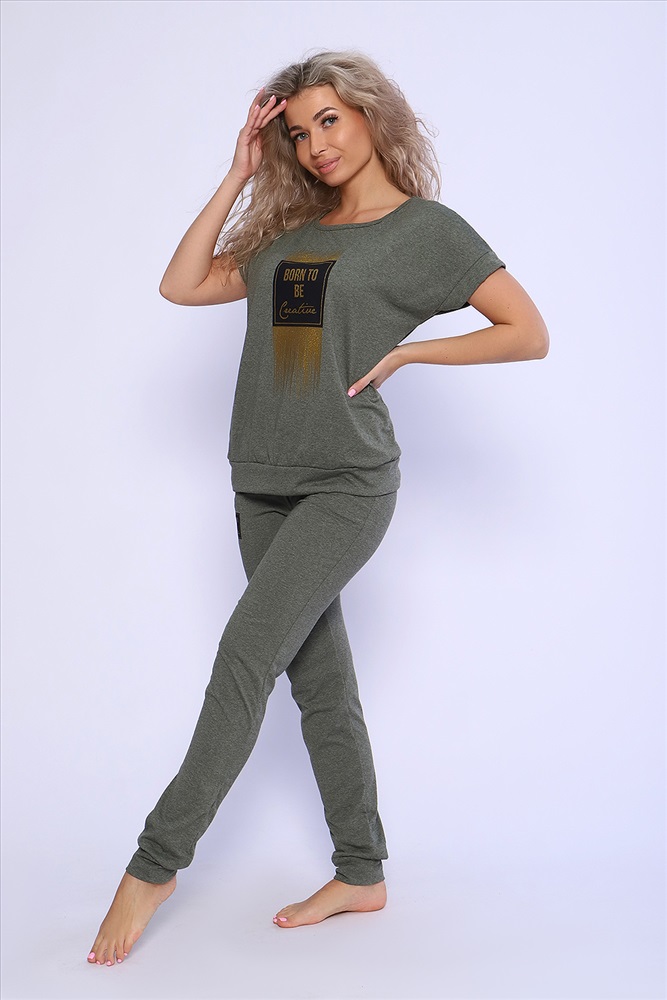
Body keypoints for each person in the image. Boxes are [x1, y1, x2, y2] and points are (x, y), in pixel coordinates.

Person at [87, 50, 548, 968]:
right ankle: (361, 872)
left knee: (244, 655)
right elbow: (182, 283)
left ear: (373, 115)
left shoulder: (425, 232)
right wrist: (239, 172)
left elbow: (526, 331)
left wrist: (410, 354)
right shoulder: (290, 229)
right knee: (318, 682)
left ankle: (154, 864)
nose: (315, 144)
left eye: (329, 120)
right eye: (298, 132)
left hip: (344, 482)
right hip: (258, 479)